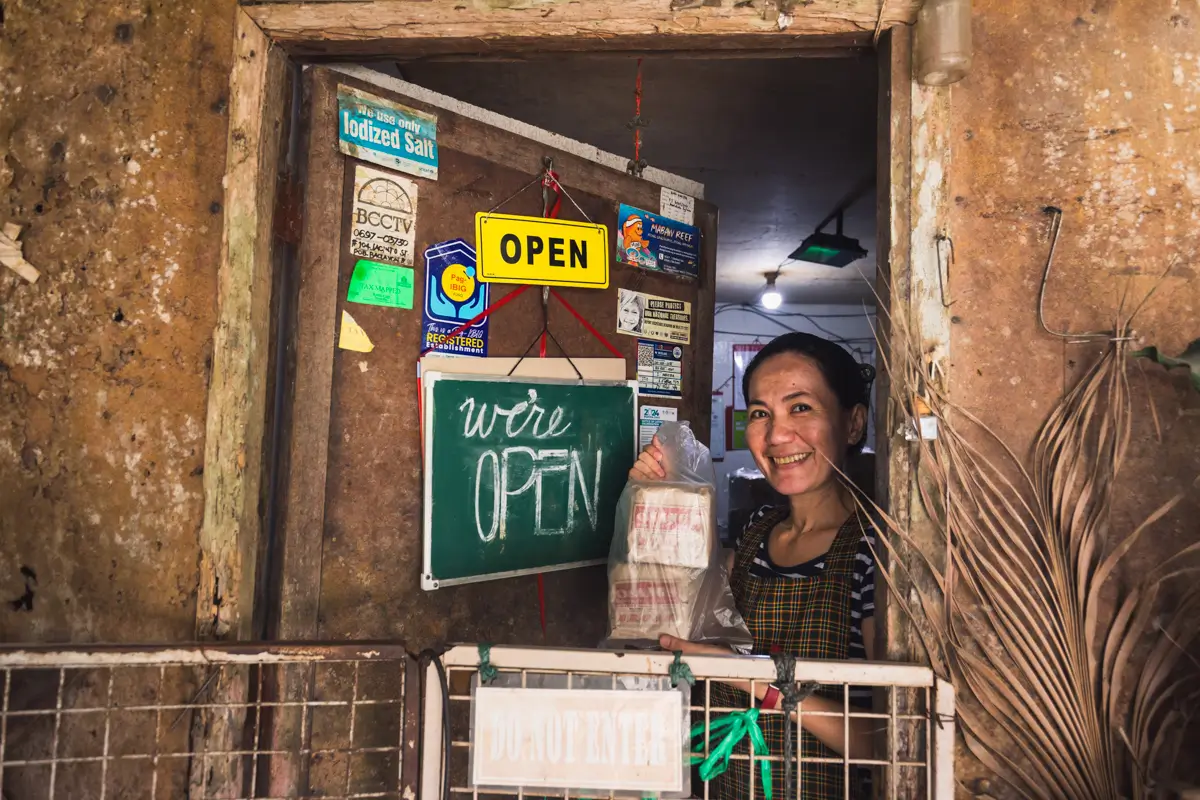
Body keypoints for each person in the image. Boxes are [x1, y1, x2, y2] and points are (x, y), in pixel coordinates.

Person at [628, 332, 877, 800]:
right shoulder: (755, 533)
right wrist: (655, 498)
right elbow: (673, 603)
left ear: (853, 423)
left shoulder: (872, 554)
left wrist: (755, 681)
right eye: (761, 413)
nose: (777, 434)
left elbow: (888, 738)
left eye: (800, 407)